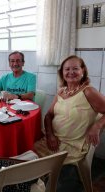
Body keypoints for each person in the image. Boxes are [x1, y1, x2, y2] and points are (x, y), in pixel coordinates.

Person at [34, 55, 105, 191]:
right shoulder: (61, 91)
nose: (71, 72)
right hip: (51, 139)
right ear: (62, 73)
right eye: (67, 69)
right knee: (25, 152)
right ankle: (38, 183)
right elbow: (48, 115)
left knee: (27, 161)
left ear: (83, 71)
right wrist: (50, 135)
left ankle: (39, 184)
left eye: (75, 68)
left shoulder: (88, 91)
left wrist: (97, 126)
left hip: (71, 145)